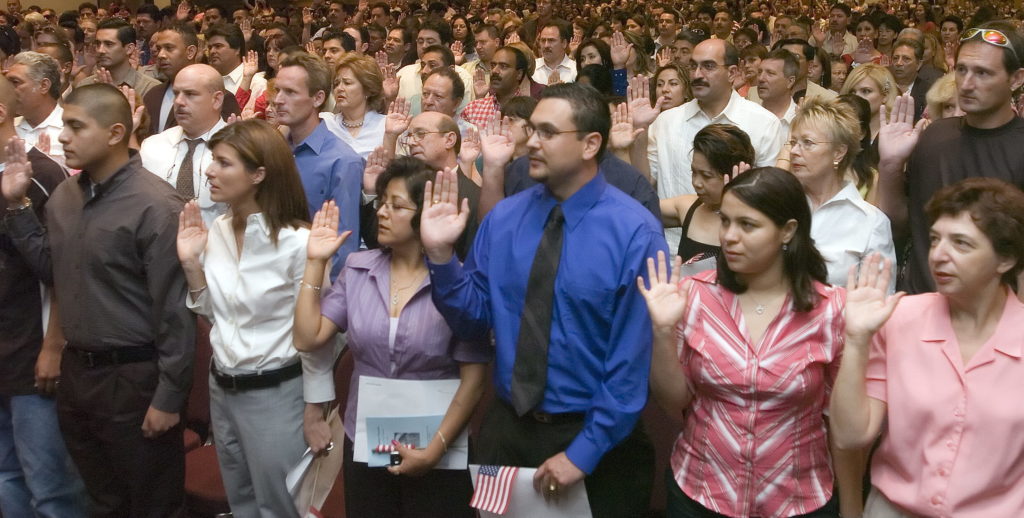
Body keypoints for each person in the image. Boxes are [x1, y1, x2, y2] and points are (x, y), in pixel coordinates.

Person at [422, 83, 668, 518]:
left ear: (591, 143)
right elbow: (473, 320)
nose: (532, 142)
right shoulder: (503, 219)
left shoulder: (635, 232)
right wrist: (442, 258)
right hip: (507, 430)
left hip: (598, 439)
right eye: (532, 130)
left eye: (549, 133)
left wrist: (584, 453)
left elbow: (631, 361)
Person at [2, 83, 195, 516]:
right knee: (102, 502)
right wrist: (16, 208)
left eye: (75, 126)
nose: (64, 136)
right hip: (79, 376)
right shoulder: (67, 197)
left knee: (152, 505)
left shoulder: (156, 205)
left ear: (114, 133)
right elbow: (53, 270)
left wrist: (168, 398)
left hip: (134, 378)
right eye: (64, 125)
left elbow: (175, 313)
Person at [640, 166, 853, 518]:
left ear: (787, 231)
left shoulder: (830, 310)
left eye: (747, 225)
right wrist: (662, 332)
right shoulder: (694, 296)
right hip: (701, 493)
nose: (729, 237)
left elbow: (845, 427)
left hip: (796, 499)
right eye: (725, 221)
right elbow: (673, 402)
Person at [295, 157, 489, 518]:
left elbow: (474, 381)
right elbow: (308, 338)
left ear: (426, 214)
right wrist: (315, 262)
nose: (382, 212)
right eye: (382, 202)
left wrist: (436, 448)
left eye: (397, 205)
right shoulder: (358, 269)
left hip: (439, 442)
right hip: (369, 437)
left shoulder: (458, 283)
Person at [830, 178, 1024, 518]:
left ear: (1005, 260)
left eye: (961, 244)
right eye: (935, 239)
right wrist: (857, 339)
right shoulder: (899, 318)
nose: (939, 255)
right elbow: (850, 436)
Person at [175, 119, 334, 517]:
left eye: (224, 163)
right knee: (241, 504)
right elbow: (219, 316)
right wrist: (192, 265)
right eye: (213, 160)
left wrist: (315, 409)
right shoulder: (222, 229)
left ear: (259, 174)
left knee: (280, 507)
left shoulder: (300, 243)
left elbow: (317, 338)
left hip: (275, 395)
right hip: (222, 389)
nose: (209, 170)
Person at [877, 21, 1024, 294]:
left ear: (1016, 79)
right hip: (922, 307)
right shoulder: (935, 137)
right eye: (961, 69)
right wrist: (890, 165)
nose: (966, 84)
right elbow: (900, 222)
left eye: (982, 73)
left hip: (993, 321)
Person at [0, 73, 86, 518]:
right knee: (5, 476)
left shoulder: (42, 174)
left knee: (51, 488)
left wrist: (53, 346)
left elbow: (62, 272)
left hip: (30, 351)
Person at [648, 38, 782, 251]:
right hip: (669, 251)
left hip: (735, 252)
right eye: (693, 66)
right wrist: (634, 140)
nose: (698, 74)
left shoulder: (763, 124)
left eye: (708, 66)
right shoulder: (666, 122)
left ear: (732, 73)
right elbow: (645, 187)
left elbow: (772, 200)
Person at [786, 97, 896, 288]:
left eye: (808, 142)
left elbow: (877, 302)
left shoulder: (870, 222)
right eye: (793, 142)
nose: (795, 151)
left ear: (838, 152)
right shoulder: (778, 206)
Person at [276, 52, 363, 282]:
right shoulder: (273, 151)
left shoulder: (342, 161)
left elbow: (342, 248)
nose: (278, 100)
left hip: (312, 284)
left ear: (318, 98)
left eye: (290, 92)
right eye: (277, 90)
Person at [140, 64, 228, 226]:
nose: (178, 102)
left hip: (218, 247)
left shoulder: (238, 149)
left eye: (190, 94)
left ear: (216, 100)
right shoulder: (152, 147)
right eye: (176, 93)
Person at [659, 123, 754, 267]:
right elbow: (634, 211)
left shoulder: (755, 222)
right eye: (694, 172)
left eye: (707, 176)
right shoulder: (688, 207)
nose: (697, 183)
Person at [144, 24, 241, 135]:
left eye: (169, 48)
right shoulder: (152, 95)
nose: (161, 55)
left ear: (190, 52)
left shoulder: (219, 97)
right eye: (159, 48)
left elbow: (230, 142)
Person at [322, 53, 387, 158]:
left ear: (368, 90)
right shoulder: (325, 122)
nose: (339, 88)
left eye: (347, 83)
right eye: (336, 83)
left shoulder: (385, 126)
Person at [78, 18, 160, 98]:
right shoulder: (85, 86)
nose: (100, 50)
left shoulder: (150, 88)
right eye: (98, 44)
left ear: (129, 49)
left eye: (109, 44)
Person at [9, 51, 64, 166]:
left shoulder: (70, 129)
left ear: (44, 86)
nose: (8, 90)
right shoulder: (8, 129)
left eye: (15, 82)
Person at [840, 63, 897, 144]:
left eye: (866, 91)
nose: (857, 97)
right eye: (852, 92)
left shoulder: (896, 136)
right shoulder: (839, 132)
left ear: (885, 96)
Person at [890, 38, 933, 120]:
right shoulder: (883, 86)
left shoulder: (929, 92)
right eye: (895, 58)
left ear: (919, 64)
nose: (898, 63)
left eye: (906, 59)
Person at [533, 21, 577, 85]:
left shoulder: (575, 70)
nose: (546, 45)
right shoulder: (532, 69)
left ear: (564, 43)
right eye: (543, 40)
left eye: (551, 40)